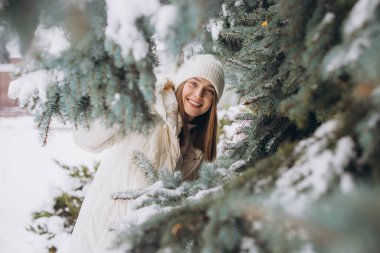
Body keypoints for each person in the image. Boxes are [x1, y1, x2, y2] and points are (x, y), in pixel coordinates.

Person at [66, 54, 225, 252]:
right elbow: (85, 139)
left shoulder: (198, 147)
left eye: (209, 91)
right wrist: (121, 107)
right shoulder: (149, 105)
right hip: (103, 232)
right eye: (193, 83)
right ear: (181, 82)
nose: (199, 94)